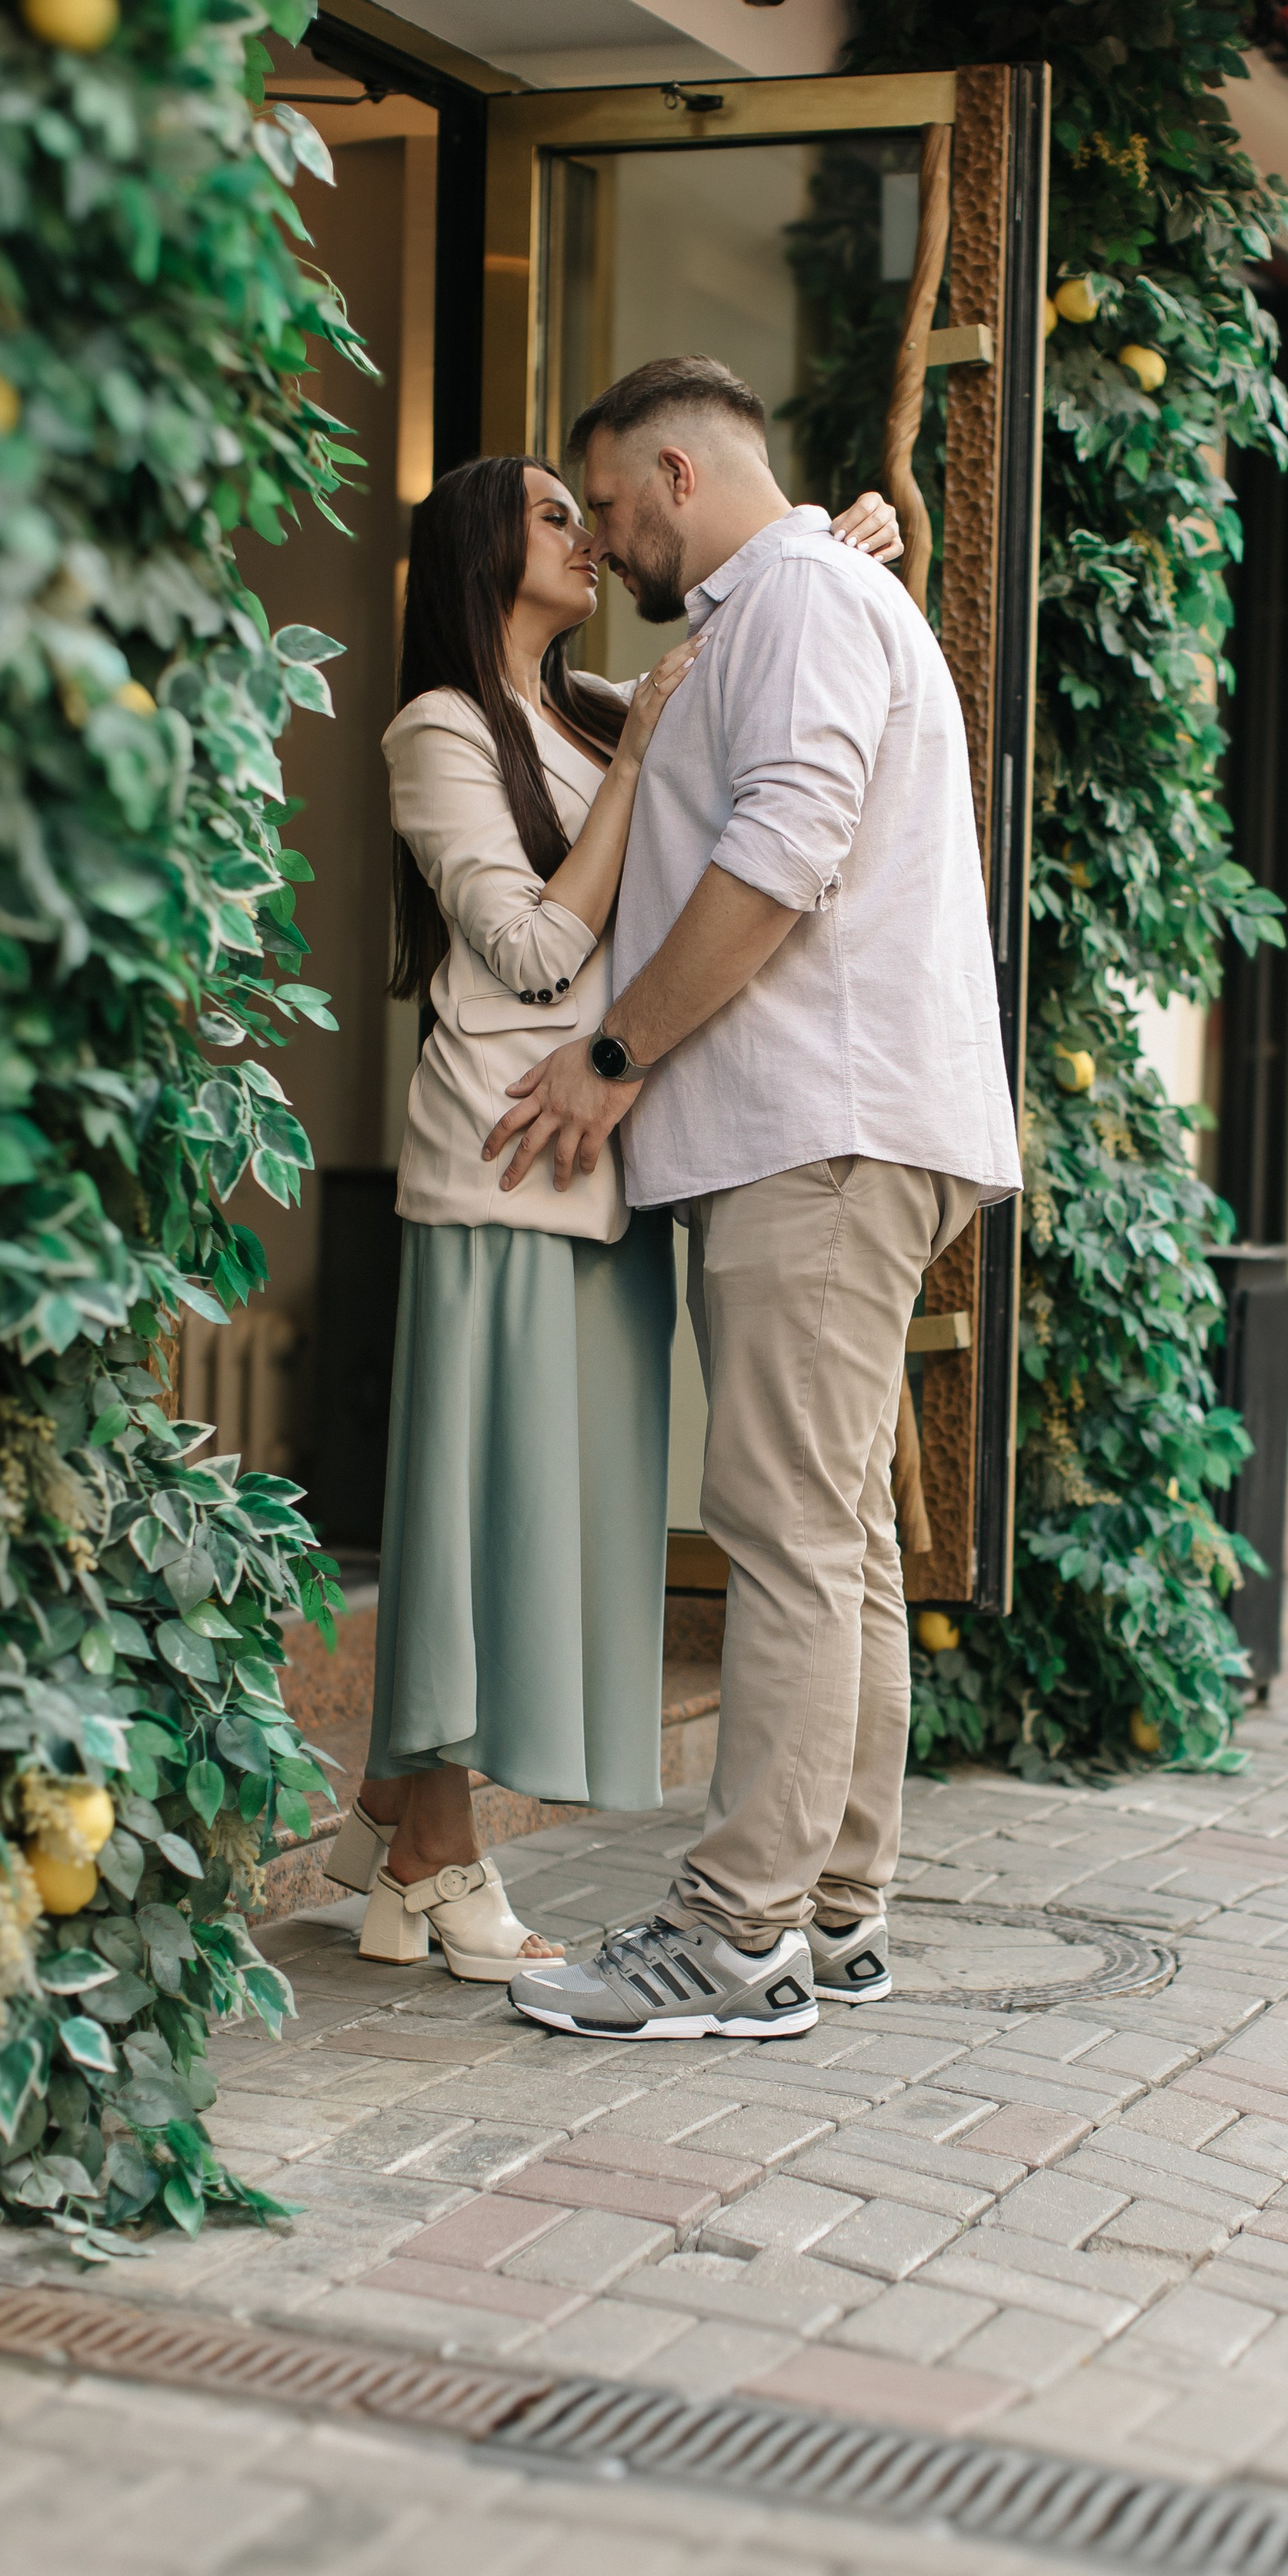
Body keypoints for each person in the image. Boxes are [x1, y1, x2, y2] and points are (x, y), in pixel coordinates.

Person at [486, 355, 1023, 2044]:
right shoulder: (799, 596)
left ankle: (732, 1935)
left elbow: (781, 856)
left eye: (612, 505)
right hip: (866, 1122)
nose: (610, 540)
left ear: (674, 470)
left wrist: (615, 1054)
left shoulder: (794, 598)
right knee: (840, 1533)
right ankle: (833, 1909)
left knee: (786, 1534)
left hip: (823, 1129)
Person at [324, 448, 903, 1983]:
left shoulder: (591, 711)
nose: (588, 532)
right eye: (551, 513)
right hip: (500, 1173)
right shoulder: (438, 730)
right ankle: (435, 1859)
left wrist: (840, 540)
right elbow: (520, 954)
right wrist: (639, 771)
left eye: (591, 510)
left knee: (541, 1533)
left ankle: (399, 1829)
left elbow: (744, 624)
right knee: (472, 1528)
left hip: (609, 1183)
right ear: (477, 551)